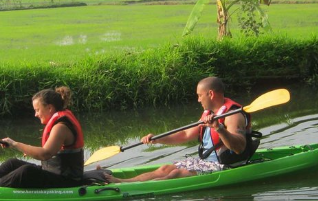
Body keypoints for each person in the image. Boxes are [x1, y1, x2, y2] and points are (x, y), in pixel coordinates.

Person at [106, 76, 259, 183]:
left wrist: (218, 128)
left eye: (200, 96)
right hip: (207, 162)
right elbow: (186, 134)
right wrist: (158, 139)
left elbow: (239, 147)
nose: (198, 100)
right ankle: (122, 182)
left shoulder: (234, 115)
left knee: (177, 174)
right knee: (166, 168)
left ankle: (137, 188)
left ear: (210, 94)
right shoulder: (209, 114)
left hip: (227, 166)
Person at [0, 86, 84, 188]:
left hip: (67, 181)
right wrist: (24, 148)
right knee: (12, 163)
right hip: (53, 173)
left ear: (49, 108)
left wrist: (16, 145)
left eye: (37, 110)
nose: (35, 114)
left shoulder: (60, 127)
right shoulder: (58, 123)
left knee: (26, 171)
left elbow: (45, 154)